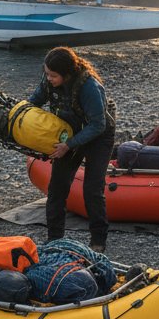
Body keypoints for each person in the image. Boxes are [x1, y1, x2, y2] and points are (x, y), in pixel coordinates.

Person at [27, 47, 116, 252]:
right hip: (67, 133)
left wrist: (69, 145)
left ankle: (98, 241)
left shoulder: (89, 87)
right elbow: (33, 103)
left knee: (92, 190)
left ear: (67, 74)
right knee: (57, 188)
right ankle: (55, 239)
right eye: (46, 73)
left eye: (53, 75)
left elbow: (98, 125)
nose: (48, 78)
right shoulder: (48, 81)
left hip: (98, 137)